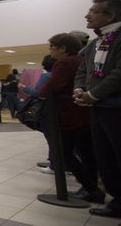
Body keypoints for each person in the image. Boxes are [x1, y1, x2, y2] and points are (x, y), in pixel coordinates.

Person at [39, 33, 103, 203]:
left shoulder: (65, 62)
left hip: (70, 114)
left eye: (52, 47)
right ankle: (92, 188)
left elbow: (51, 86)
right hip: (83, 113)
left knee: (64, 153)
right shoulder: (80, 60)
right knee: (86, 152)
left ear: (63, 48)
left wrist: (40, 92)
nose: (50, 50)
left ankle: (91, 188)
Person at [73, 0, 121, 218]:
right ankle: (117, 200)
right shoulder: (94, 43)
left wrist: (92, 94)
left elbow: (118, 75)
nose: (87, 15)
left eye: (93, 11)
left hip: (115, 109)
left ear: (110, 16)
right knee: (104, 156)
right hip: (98, 109)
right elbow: (83, 70)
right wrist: (79, 89)